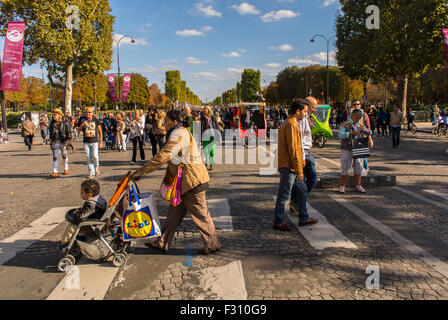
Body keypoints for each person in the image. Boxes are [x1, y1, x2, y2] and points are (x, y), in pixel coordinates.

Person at [131, 110, 221, 255]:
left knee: (201, 215)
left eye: (166, 120)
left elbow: (165, 155)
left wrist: (142, 171)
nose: (164, 123)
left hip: (191, 181)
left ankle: (212, 244)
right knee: (173, 214)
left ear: (174, 122)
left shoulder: (179, 133)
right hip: (182, 182)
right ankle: (162, 242)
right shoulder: (178, 131)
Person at [273, 100, 318, 232]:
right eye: (304, 111)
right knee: (284, 195)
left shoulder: (287, 123)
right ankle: (279, 221)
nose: (305, 114)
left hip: (287, 164)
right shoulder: (292, 125)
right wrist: (299, 170)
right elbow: (294, 150)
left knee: (302, 190)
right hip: (290, 166)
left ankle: (303, 217)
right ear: (298, 111)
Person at [290, 96, 319, 216]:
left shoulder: (306, 117)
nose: (315, 110)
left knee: (300, 181)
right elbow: (299, 139)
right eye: (313, 107)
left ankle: (295, 203)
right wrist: (301, 157)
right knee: (310, 178)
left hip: (305, 152)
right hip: (303, 153)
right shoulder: (301, 119)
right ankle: (299, 207)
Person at [59, 179, 107, 250]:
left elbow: (81, 217)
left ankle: (65, 242)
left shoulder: (91, 204)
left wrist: (76, 213)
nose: (80, 194)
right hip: (96, 220)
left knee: (72, 226)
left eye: (82, 192)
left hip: (91, 224)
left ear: (89, 195)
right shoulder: (98, 199)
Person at [338, 109, 372, 194]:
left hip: (358, 147)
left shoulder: (360, 125)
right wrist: (351, 133)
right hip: (347, 147)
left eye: (359, 118)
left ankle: (358, 185)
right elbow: (340, 134)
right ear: (352, 115)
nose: (358, 119)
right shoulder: (345, 124)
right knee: (345, 167)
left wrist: (368, 131)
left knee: (359, 166)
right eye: (357, 117)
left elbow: (369, 131)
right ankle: (342, 185)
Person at [77, 107, 103, 179]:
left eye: (89, 112)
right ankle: (91, 172)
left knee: (95, 156)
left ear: (92, 113)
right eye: (86, 112)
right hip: (86, 141)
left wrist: (101, 141)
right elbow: (78, 130)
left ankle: (96, 167)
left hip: (94, 141)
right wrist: (82, 125)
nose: (88, 114)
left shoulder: (96, 120)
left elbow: (100, 131)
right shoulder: (82, 120)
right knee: (88, 157)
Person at [49, 108, 71, 178]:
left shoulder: (65, 124)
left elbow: (69, 133)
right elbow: (51, 134)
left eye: (55, 115)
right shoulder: (52, 124)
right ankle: (55, 171)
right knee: (55, 157)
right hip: (55, 142)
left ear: (59, 116)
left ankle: (66, 168)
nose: (53, 116)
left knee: (64, 156)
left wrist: (68, 143)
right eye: (53, 115)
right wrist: (51, 142)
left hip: (63, 142)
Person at [201, 106, 219, 171]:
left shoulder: (213, 117)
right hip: (205, 135)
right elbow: (200, 127)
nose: (204, 110)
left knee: (212, 151)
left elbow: (216, 127)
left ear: (208, 110)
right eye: (204, 109)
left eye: (205, 109)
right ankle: (205, 163)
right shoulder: (202, 118)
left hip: (212, 136)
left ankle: (211, 164)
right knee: (205, 151)